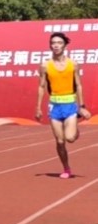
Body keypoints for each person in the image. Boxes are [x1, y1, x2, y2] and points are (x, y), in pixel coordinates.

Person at [35, 32, 91, 179]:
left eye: (59, 43)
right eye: (53, 43)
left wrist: (82, 106)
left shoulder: (73, 64)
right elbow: (41, 86)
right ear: (50, 46)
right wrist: (38, 107)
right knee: (60, 142)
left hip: (70, 105)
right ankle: (66, 168)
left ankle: (75, 131)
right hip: (54, 106)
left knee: (70, 138)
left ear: (65, 45)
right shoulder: (45, 65)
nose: (56, 45)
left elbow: (78, 85)